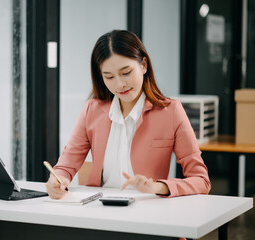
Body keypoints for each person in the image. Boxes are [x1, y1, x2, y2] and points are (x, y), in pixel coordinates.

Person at [46, 29, 211, 200]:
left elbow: (201, 181)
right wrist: (57, 180)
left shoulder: (171, 112)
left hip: (149, 212)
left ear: (144, 65)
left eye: (126, 73)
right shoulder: (91, 110)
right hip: (99, 209)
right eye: (109, 77)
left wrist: (157, 187)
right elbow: (65, 166)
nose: (120, 84)